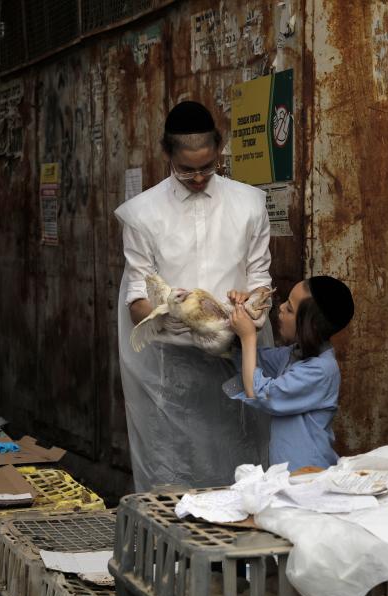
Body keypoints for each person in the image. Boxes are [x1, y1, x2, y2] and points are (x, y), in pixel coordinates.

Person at [115, 100, 273, 491]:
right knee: (173, 464)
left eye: (208, 166)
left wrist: (249, 306)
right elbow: (137, 298)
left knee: (239, 459)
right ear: (167, 154)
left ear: (219, 149)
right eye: (187, 169)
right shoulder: (141, 214)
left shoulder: (250, 204)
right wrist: (171, 313)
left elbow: (260, 276)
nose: (200, 177)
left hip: (235, 360)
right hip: (172, 369)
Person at [224, 276, 354, 470]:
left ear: (311, 325)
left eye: (290, 309)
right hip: (290, 474)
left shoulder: (320, 370)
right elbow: (249, 358)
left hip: (307, 474)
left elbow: (259, 392)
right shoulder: (295, 354)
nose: (281, 307)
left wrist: (249, 336)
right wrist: (238, 315)